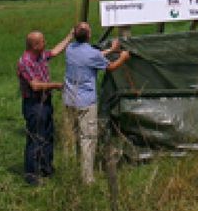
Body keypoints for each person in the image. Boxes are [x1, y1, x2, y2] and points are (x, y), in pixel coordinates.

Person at [63, 21, 131, 184]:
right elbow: (111, 67)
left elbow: (93, 56)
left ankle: (68, 168)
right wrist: (122, 57)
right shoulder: (92, 54)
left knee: (70, 136)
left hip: (69, 99)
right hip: (86, 103)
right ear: (88, 36)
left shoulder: (70, 49)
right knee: (87, 138)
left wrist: (111, 50)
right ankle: (87, 178)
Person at [17, 27, 74, 186]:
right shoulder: (25, 62)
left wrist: (69, 36)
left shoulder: (40, 55)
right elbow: (35, 86)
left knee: (48, 135)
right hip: (34, 104)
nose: (45, 43)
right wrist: (56, 85)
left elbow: (55, 51)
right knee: (36, 138)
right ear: (35, 45)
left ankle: (46, 168)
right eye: (42, 41)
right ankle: (32, 174)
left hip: (45, 102)